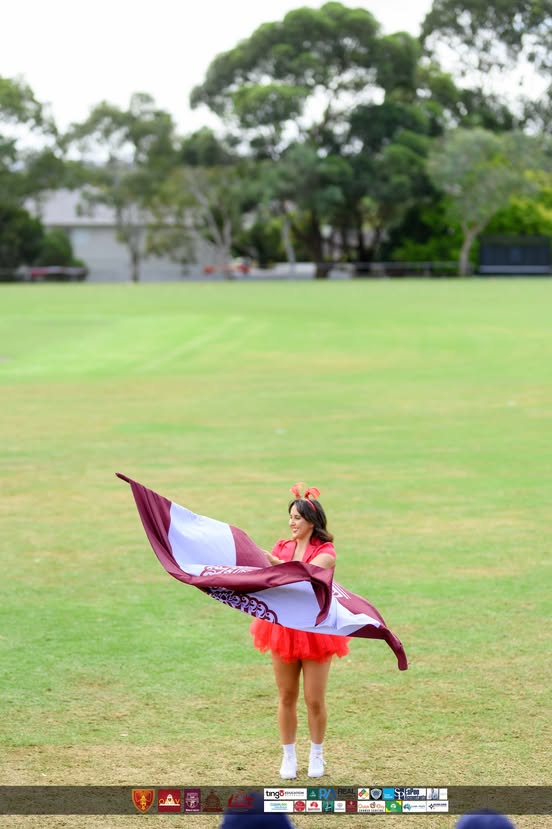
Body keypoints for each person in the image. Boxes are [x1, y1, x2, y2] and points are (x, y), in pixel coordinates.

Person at [250, 482, 350, 780]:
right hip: (281, 628)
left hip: (316, 631)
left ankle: (317, 754)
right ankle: (288, 757)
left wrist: (274, 563)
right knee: (286, 696)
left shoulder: (326, 551)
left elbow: (304, 577)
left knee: (314, 699)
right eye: (290, 517)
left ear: (312, 522)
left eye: (297, 518)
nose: (292, 523)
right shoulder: (282, 546)